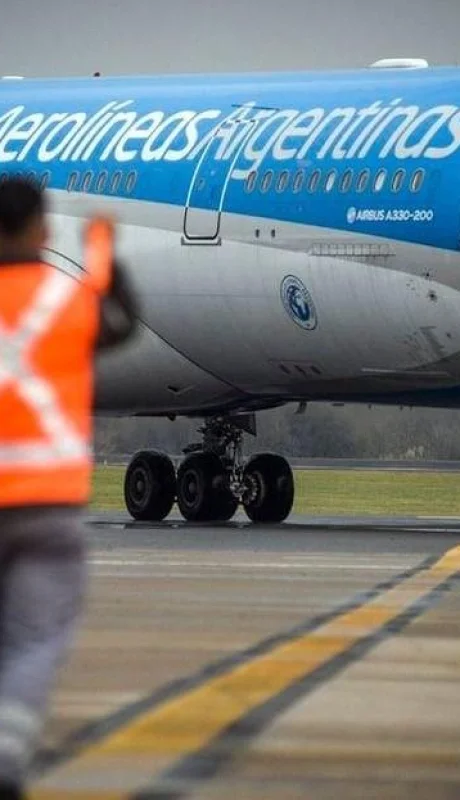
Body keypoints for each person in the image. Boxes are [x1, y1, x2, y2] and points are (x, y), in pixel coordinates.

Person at [0, 176, 137, 799]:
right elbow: (119, 320)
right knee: (36, 637)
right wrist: (103, 248)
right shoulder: (65, 296)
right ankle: (6, 754)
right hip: (46, 505)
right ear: (41, 229)